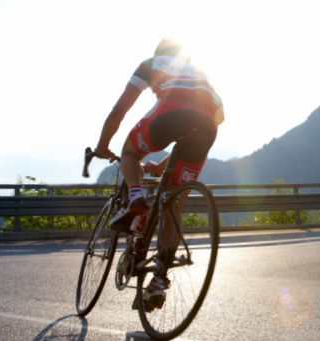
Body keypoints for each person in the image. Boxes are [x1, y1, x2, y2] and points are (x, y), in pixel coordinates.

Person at [94, 38, 224, 309]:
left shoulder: (151, 64)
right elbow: (212, 117)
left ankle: (136, 196)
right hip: (208, 125)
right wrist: (160, 166)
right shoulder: (200, 73)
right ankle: (158, 282)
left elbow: (119, 110)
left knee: (129, 153)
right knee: (175, 200)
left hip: (169, 114)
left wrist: (103, 145)